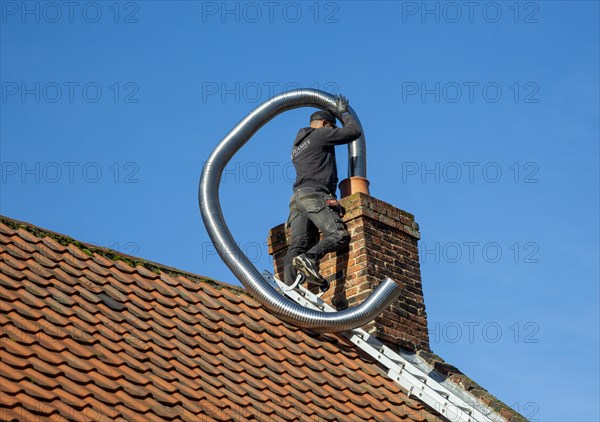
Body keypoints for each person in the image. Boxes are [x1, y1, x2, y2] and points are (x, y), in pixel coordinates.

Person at [283, 95, 362, 290]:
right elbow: (354, 132)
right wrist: (344, 112)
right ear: (326, 124)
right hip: (315, 195)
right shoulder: (320, 134)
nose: (334, 133)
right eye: (332, 128)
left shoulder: (297, 146)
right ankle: (309, 259)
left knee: (298, 244)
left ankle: (288, 288)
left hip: (297, 198)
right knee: (338, 236)